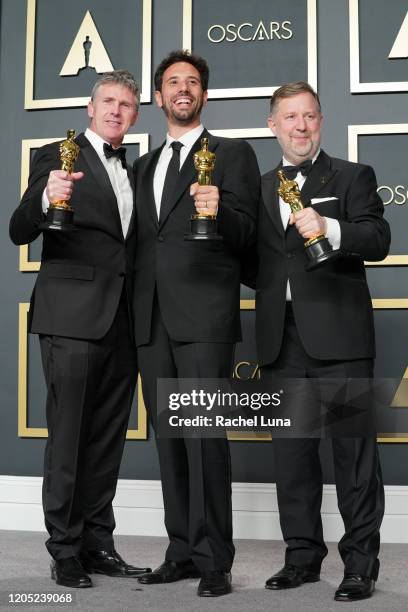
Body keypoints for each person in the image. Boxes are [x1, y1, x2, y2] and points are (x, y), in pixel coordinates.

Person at [9, 70, 151, 588]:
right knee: (68, 438)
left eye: (127, 104)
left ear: (135, 115)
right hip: (71, 317)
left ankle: (97, 543)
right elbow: (19, 228)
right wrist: (48, 197)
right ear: (91, 109)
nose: (117, 110)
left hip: (124, 321)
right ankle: (64, 548)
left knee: (108, 440)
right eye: (108, 101)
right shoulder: (54, 155)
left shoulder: (132, 170)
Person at [254, 81, 390, 602]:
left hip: (342, 338)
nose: (301, 126)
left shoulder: (353, 176)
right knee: (292, 459)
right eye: (290, 117)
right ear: (274, 125)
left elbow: (378, 239)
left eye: (309, 116)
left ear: (321, 121)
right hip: (278, 342)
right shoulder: (260, 186)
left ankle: (361, 565)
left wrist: (331, 226)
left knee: (354, 458)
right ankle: (302, 558)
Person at [132, 50, 260, 597]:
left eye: (191, 82)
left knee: (206, 440)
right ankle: (181, 549)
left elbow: (252, 234)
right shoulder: (143, 165)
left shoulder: (232, 154)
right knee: (169, 441)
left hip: (205, 318)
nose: (182, 89)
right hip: (150, 320)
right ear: (158, 97)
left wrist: (221, 211)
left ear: (204, 95)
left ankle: (214, 560)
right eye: (171, 82)